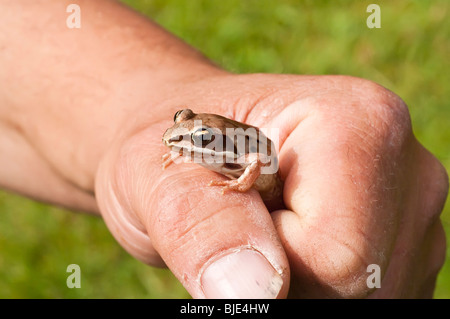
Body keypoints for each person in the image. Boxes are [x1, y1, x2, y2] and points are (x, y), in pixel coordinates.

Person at [0, 0, 448, 298]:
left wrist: (239, 186)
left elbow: (256, 159)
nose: (182, 138)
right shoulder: (201, 141)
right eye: (183, 126)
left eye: (196, 140)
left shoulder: (236, 150)